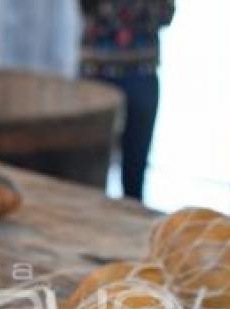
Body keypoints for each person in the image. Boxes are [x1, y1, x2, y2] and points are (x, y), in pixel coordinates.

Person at [80, 0, 175, 201]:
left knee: (135, 175)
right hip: (96, 73)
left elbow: (166, 13)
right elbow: (87, 7)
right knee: (86, 177)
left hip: (141, 74)